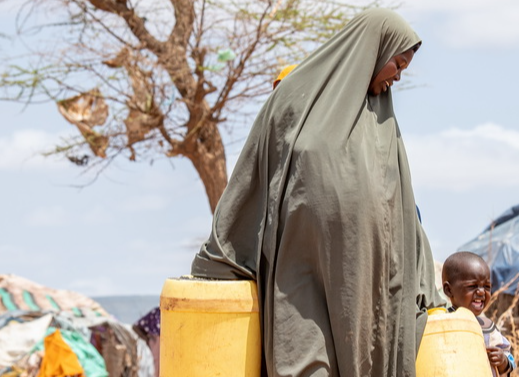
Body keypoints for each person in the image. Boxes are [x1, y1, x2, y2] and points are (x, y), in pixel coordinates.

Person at [190, 8, 445, 377]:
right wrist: (224, 246)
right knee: (304, 355)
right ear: (374, 49)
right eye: (397, 64)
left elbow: (402, 204)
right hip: (302, 265)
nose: (398, 76)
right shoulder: (294, 98)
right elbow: (254, 168)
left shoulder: (383, 124)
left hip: (365, 274)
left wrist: (424, 279)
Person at [442, 252, 516, 377]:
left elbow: (509, 358)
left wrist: (503, 360)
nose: (481, 292)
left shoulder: (488, 328)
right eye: (472, 286)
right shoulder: (441, 324)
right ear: (449, 290)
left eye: (487, 286)